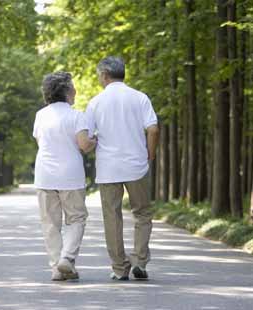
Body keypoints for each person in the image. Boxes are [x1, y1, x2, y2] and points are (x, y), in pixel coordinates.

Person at [86, 56, 159, 281]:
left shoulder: (95, 102)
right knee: (143, 213)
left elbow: (88, 139)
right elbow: (153, 130)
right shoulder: (140, 98)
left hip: (108, 168)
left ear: (105, 75)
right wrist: (150, 155)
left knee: (112, 217)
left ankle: (120, 268)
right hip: (136, 165)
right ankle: (139, 261)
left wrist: (93, 144)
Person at [33, 71, 97, 281]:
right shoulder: (77, 115)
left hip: (44, 176)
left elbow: (40, 142)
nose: (75, 90)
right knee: (76, 218)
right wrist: (95, 140)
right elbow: (84, 145)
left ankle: (56, 268)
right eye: (73, 86)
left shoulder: (40, 115)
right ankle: (67, 259)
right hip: (70, 176)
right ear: (67, 91)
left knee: (50, 223)